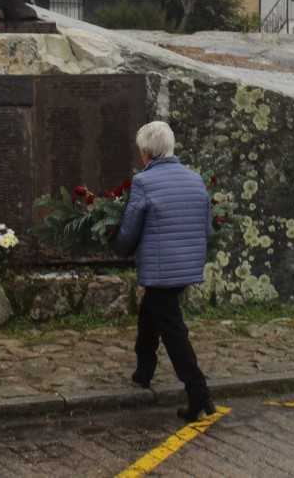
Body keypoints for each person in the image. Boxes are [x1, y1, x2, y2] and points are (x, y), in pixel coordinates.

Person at [114, 121, 216, 421]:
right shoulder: (195, 180)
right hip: (185, 266)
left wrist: (117, 246)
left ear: (146, 152)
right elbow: (207, 229)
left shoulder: (144, 183)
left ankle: (198, 392)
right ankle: (143, 371)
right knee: (150, 315)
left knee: (173, 331)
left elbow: (130, 230)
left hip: (161, 269)